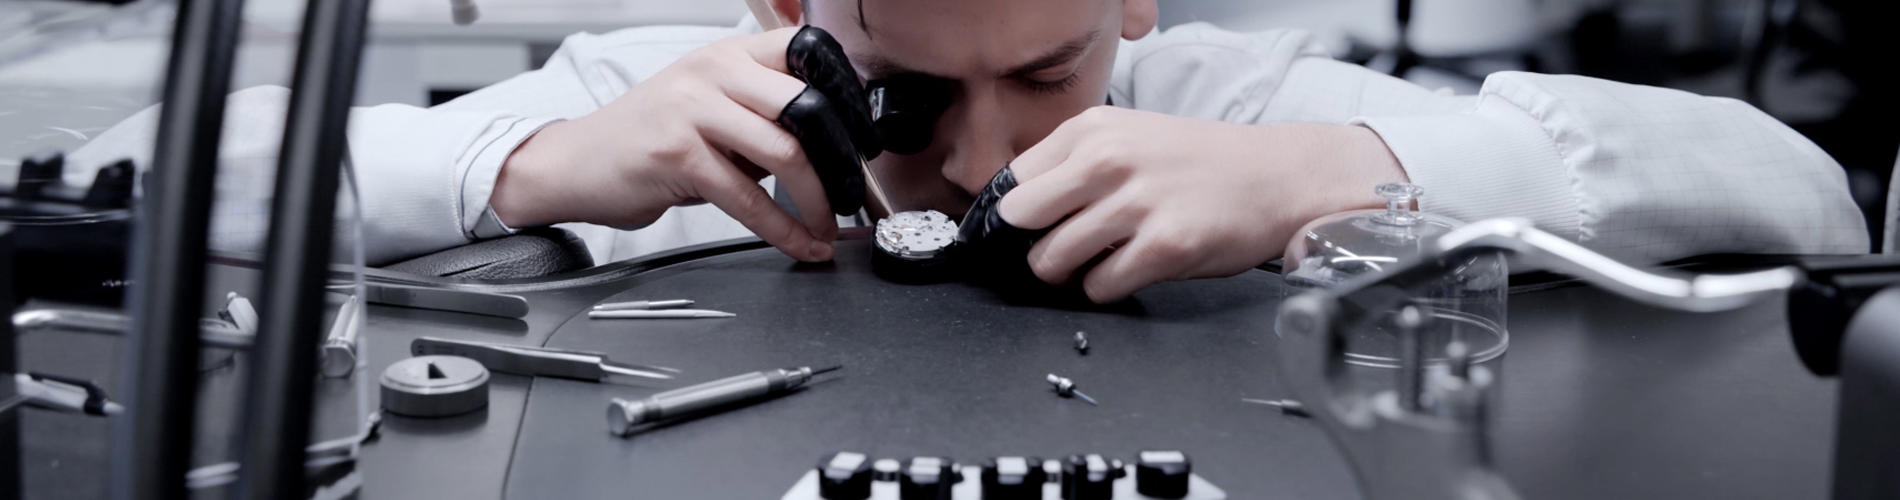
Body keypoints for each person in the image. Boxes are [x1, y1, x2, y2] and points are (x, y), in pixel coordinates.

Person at [71, 0, 1867, 303]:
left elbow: (1797, 195)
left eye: (1052, 72)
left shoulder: (1241, 97)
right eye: (913, 95)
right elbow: (130, 174)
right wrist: (527, 165)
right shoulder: (666, 92)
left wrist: (1343, 170)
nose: (995, 155)